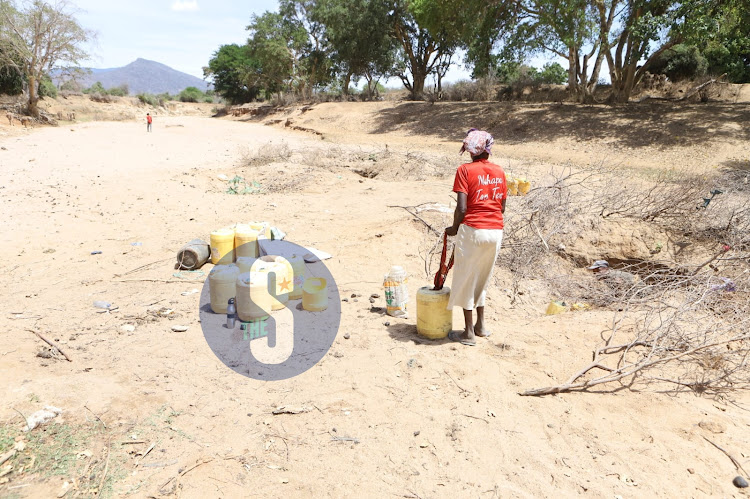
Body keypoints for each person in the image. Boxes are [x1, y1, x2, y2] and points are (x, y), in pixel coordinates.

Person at [445, 129, 507, 346]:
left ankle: (468, 332)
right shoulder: (499, 171)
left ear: (470, 151)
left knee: (466, 278)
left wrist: (453, 228)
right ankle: (481, 326)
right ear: (488, 149)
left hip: (473, 229)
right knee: (482, 277)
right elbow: (502, 207)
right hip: (496, 231)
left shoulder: (464, 170)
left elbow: (462, 208)